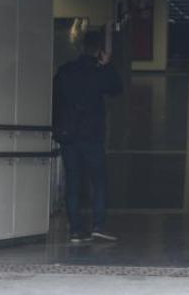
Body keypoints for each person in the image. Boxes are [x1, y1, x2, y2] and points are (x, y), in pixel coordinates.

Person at [52, 30, 123, 243]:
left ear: (81, 48)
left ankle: (75, 229)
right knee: (98, 181)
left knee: (73, 181)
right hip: (92, 136)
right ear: (99, 51)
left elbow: (55, 98)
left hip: (69, 135)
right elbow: (117, 88)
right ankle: (98, 225)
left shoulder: (65, 71)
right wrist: (107, 64)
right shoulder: (99, 71)